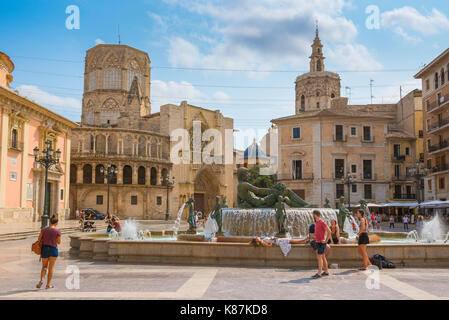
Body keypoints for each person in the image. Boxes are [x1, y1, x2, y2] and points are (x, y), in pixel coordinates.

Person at [36, 215, 61, 289]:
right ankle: (48, 285)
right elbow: (59, 242)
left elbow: (39, 239)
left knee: (44, 267)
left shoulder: (43, 230)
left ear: (50, 222)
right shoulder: (57, 231)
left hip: (45, 249)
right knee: (51, 268)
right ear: (56, 223)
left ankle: (41, 280)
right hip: (53, 250)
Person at [311, 210, 332, 279]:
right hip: (318, 242)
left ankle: (319, 273)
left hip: (321, 242)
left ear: (315, 215)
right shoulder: (316, 222)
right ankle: (326, 271)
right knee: (322, 257)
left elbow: (329, 231)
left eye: (313, 214)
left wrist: (326, 241)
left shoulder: (322, 222)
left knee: (319, 258)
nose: (312, 215)